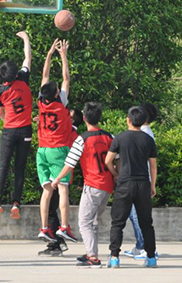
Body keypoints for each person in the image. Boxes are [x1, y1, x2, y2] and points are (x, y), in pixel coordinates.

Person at [53, 102, 114, 268]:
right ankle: (91, 252)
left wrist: (58, 179)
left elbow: (69, 163)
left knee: (85, 222)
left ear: (85, 118)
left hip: (93, 185)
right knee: (93, 222)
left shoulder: (82, 139)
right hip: (107, 185)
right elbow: (117, 159)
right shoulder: (110, 137)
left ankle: (93, 257)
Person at [105, 106, 158, 268]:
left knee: (117, 223)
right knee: (146, 223)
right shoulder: (148, 140)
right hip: (143, 184)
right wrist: (152, 185)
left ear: (128, 120)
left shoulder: (120, 138)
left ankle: (114, 258)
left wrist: (116, 174)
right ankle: (151, 258)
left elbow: (108, 160)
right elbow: (153, 166)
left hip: (124, 184)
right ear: (143, 122)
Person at [36, 39, 77, 243]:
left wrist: (49, 54)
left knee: (46, 191)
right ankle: (64, 227)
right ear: (56, 93)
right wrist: (63, 55)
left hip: (41, 150)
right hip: (57, 149)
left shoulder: (41, 102)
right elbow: (66, 78)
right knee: (62, 188)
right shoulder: (61, 102)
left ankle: (44, 228)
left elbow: (45, 76)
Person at [0, 31, 33, 220]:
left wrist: (8, 122)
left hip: (9, 130)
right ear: (15, 73)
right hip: (25, 130)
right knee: (20, 168)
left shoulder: (0, 92)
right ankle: (16, 203)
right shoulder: (23, 79)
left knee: (3, 166)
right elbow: (27, 58)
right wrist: (26, 39)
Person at [38, 108, 83, 257]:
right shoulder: (70, 132)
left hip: (59, 172)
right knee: (51, 206)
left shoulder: (68, 132)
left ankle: (56, 242)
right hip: (59, 171)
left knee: (51, 206)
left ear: (70, 120)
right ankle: (57, 239)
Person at [124, 103, 158, 260]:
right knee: (135, 214)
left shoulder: (143, 134)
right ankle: (140, 246)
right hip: (142, 179)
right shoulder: (146, 133)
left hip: (139, 179)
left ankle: (144, 246)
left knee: (136, 215)